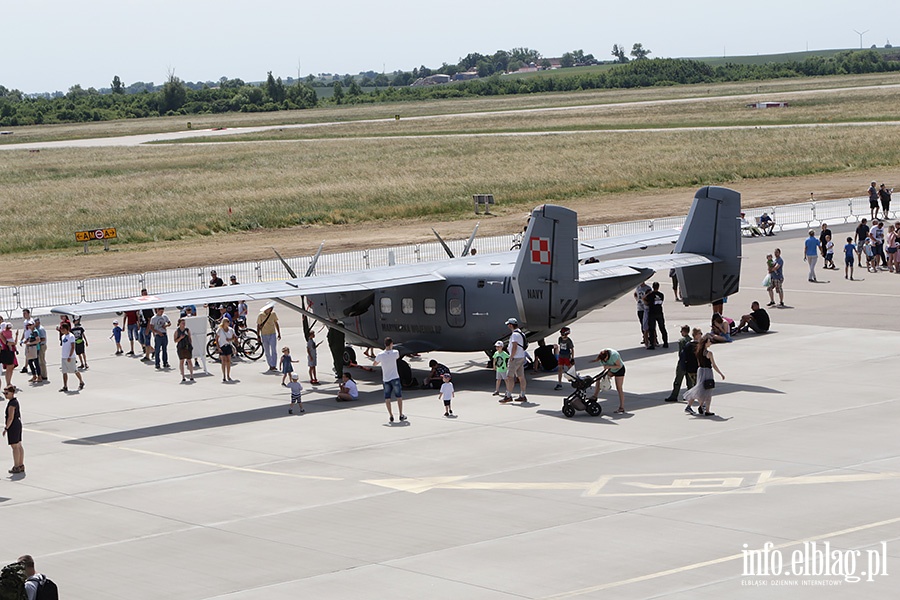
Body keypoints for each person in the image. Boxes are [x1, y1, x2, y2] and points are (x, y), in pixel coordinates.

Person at [684, 335, 726, 417]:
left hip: (700, 371)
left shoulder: (698, 351)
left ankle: (697, 405)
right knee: (708, 390)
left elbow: (699, 363)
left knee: (699, 389)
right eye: (709, 341)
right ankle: (707, 410)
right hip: (707, 372)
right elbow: (714, 365)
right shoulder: (709, 353)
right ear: (706, 343)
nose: (710, 343)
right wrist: (720, 373)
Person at [373, 337, 405, 423]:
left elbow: (375, 363)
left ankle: (391, 415)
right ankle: (401, 414)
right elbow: (397, 357)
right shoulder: (395, 352)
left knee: (387, 398)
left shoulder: (380, 355)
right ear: (391, 344)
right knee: (399, 397)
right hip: (395, 377)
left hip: (386, 378)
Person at [590, 348, 626, 414]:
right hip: (611, 370)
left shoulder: (614, 355)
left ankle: (621, 407)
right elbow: (605, 367)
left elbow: (619, 365)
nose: (605, 361)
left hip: (619, 370)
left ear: (607, 355)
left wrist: (609, 366)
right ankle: (595, 396)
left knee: (619, 388)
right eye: (603, 360)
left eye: (605, 359)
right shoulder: (602, 359)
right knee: (598, 378)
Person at [501, 317, 528, 403]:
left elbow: (514, 346)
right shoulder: (521, 333)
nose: (508, 326)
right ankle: (522, 395)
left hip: (515, 358)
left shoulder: (514, 335)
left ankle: (508, 395)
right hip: (521, 356)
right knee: (521, 376)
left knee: (510, 377)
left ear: (511, 325)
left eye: (508, 324)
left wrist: (511, 356)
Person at [664, 325, 692, 402]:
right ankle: (689, 396)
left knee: (678, 381)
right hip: (690, 363)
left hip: (682, 364)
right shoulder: (691, 340)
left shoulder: (681, 341)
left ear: (684, 331)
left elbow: (681, 354)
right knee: (689, 381)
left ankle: (674, 395)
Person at [59, 322, 84, 392]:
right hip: (63, 356)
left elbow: (73, 347)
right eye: (61, 329)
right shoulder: (63, 336)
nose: (61, 330)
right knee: (64, 372)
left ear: (67, 329)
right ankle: (65, 386)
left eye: (63, 329)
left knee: (74, 370)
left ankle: (81, 382)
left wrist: (70, 356)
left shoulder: (71, 336)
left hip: (70, 357)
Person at [3, 385, 24, 474]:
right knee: (19, 445)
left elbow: (10, 417)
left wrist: (6, 428)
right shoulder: (15, 401)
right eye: (4, 393)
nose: (5, 395)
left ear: (12, 393)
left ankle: (16, 466)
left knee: (14, 446)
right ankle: (21, 464)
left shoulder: (12, 404)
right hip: (17, 424)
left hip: (13, 425)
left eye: (6, 393)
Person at [257, 302, 281, 371]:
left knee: (274, 350)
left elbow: (276, 323)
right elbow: (258, 325)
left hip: (272, 333)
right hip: (264, 334)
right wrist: (258, 335)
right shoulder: (261, 315)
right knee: (267, 351)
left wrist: (279, 333)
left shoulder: (273, 314)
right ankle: (270, 365)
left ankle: (273, 365)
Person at [646, 282, 669, 348]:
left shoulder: (650, 295)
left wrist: (648, 294)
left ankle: (652, 344)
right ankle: (665, 343)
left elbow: (645, 299)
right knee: (662, 328)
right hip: (659, 312)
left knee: (652, 329)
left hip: (652, 313)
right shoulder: (661, 295)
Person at [633, 282, 655, 349]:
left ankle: (652, 339)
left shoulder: (648, 288)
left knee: (649, 324)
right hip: (640, 308)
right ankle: (644, 337)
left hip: (646, 308)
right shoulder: (638, 287)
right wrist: (637, 299)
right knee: (642, 324)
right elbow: (635, 294)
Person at [173, 318, 194, 382]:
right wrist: (180, 338)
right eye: (182, 323)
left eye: (184, 323)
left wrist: (190, 345)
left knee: (189, 361)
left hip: (187, 347)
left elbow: (190, 338)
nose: (184, 324)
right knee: (181, 361)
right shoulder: (177, 331)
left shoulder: (187, 330)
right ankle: (183, 376)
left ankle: (191, 375)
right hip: (180, 347)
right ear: (179, 324)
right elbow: (175, 340)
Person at [216, 318, 236, 382]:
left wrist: (230, 340)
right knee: (223, 361)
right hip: (222, 346)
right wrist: (218, 347)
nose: (228, 323)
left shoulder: (231, 330)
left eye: (228, 322)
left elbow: (234, 337)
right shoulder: (220, 330)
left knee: (228, 361)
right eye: (227, 322)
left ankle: (228, 375)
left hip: (228, 346)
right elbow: (216, 339)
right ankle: (224, 375)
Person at [33, 317, 48, 383]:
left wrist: (36, 341)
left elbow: (43, 338)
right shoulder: (36, 329)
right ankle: (41, 374)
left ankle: (44, 375)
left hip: (42, 345)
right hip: (38, 346)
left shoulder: (40, 329)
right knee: (39, 361)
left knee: (42, 361)